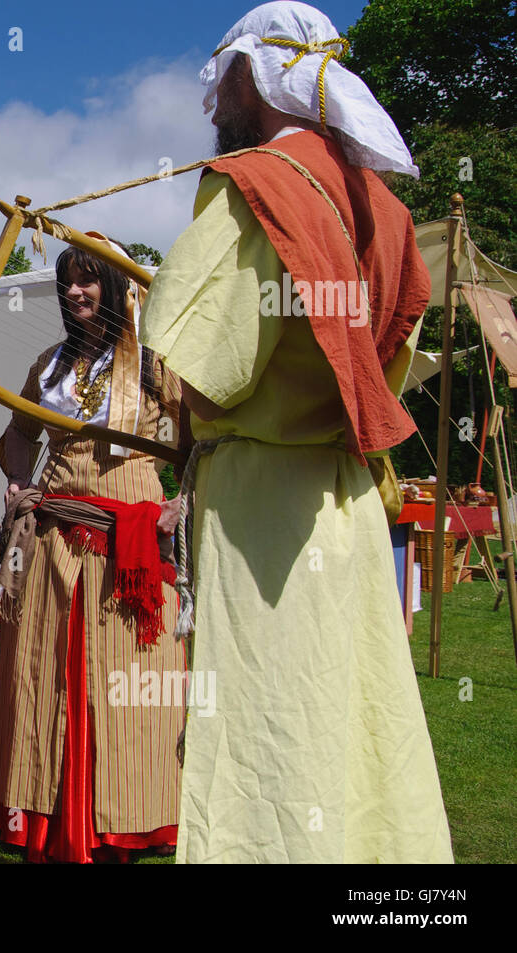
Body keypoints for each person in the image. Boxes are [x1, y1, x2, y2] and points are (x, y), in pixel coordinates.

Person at [137, 1, 452, 862]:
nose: (212, 100)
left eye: (222, 77)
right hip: (345, 505)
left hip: (263, 514)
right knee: (352, 724)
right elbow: (391, 350)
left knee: (267, 733)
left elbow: (203, 369)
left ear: (258, 74)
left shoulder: (258, 186)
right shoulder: (380, 206)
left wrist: (161, 377)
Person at [0, 240, 185, 863]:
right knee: (47, 676)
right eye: (67, 282)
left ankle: (128, 809)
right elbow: (17, 436)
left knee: (126, 680)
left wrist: (181, 504)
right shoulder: (50, 365)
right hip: (54, 542)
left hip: (129, 548)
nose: (74, 292)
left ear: (117, 289)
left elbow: (203, 442)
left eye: (89, 280)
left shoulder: (152, 365)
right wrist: (16, 480)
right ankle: (43, 804)